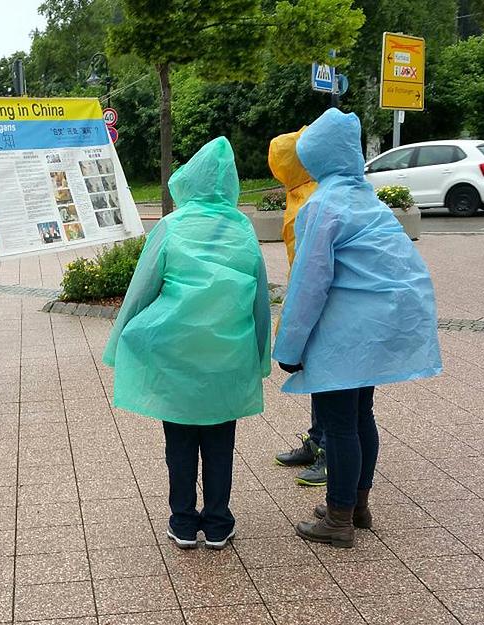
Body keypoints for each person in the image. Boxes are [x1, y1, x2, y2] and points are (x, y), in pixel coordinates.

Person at [274, 109, 442, 548]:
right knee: (361, 416)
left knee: (339, 425)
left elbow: (309, 283)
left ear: (317, 158)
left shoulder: (322, 206)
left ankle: (337, 520)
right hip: (380, 330)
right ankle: (356, 505)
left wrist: (289, 347)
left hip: (346, 335)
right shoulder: (369, 201)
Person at [103, 137, 271, 551]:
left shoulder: (171, 227)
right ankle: (217, 522)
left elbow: (141, 291)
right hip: (227, 358)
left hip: (175, 355)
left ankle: (182, 520)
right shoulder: (243, 228)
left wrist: (119, 340)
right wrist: (261, 356)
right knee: (220, 443)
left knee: (179, 443)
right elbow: (260, 298)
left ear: (188, 181)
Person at [268, 126, 328, 487]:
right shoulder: (302, 192)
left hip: (320, 304)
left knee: (327, 378)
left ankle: (327, 451)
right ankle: (318, 439)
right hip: (311, 297)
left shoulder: (310, 200)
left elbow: (311, 269)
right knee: (317, 376)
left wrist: (293, 320)